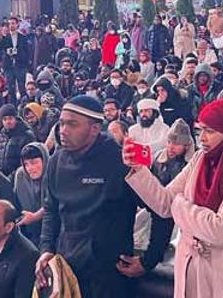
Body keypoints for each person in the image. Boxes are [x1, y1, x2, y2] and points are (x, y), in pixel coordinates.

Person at [123, 98, 223, 298]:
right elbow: (164, 204)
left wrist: (179, 206)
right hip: (189, 268)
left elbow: (221, 230)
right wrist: (138, 170)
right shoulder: (200, 160)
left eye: (210, 131)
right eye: (200, 131)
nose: (202, 138)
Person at [36, 95, 137, 297]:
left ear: (94, 129)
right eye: (62, 123)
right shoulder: (56, 161)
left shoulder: (119, 161)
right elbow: (51, 210)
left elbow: (160, 207)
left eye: (72, 124)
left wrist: (150, 258)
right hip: (67, 265)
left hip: (109, 273)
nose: (63, 130)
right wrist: (46, 248)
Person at [119, 119, 193, 278]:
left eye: (177, 143)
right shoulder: (159, 158)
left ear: (186, 145)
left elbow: (167, 202)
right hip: (155, 202)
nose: (171, 147)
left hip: (175, 210)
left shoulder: (190, 165)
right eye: (169, 141)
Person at [12, 143, 48, 246]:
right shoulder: (20, 175)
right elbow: (15, 202)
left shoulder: (53, 174)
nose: (30, 168)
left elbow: (55, 203)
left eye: (34, 162)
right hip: (27, 233)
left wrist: (36, 216)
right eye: (26, 164)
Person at [0, 105, 36, 176]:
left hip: (20, 177)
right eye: (5, 119)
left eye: (10, 118)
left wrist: (12, 177)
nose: (8, 122)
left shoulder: (27, 136)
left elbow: (27, 161)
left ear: (15, 118)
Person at [0, 17, 30, 101]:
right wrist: (3, 37)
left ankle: (23, 105)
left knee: (22, 87)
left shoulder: (23, 37)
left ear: (17, 24)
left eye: (13, 23)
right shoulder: (5, 37)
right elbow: (0, 48)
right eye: (9, 24)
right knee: (10, 89)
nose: (11, 25)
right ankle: (13, 107)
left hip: (20, 65)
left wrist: (23, 60)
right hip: (8, 66)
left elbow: (27, 51)